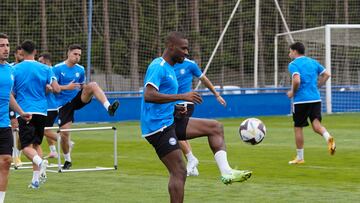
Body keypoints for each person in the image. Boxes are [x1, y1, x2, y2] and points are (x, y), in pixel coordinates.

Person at [141, 31, 252, 203]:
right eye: (183, 48)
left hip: (169, 120)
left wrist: (176, 108)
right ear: (171, 46)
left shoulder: (170, 68)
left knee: (215, 127)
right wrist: (182, 97)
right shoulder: (158, 66)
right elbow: (149, 95)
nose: (186, 52)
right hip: (157, 128)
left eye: (187, 49)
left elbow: (161, 99)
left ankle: (226, 171)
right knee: (179, 171)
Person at [53, 44, 120, 170]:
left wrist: (86, 89)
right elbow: (53, 88)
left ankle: (109, 108)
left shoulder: (81, 69)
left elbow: (82, 85)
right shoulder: (57, 68)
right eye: (75, 54)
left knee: (93, 85)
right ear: (68, 53)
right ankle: (67, 160)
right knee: (64, 134)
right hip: (63, 104)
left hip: (78, 98)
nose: (77, 57)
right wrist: (67, 87)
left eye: (79, 55)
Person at [12, 40, 61, 189]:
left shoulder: (15, 69)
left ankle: (41, 162)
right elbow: (57, 89)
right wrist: (47, 88)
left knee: (25, 146)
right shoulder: (46, 69)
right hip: (41, 111)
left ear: (22, 52)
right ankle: (35, 180)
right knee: (36, 144)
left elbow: (11, 92)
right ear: (35, 52)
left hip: (25, 111)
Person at [174, 58, 227, 176]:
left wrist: (216, 94)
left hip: (185, 104)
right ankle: (192, 165)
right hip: (173, 105)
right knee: (181, 133)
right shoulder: (167, 65)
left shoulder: (190, 64)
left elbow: (204, 79)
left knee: (174, 131)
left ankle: (191, 159)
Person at [287, 42, 336, 165]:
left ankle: (300, 157)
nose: (289, 54)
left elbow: (297, 80)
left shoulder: (293, 64)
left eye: (290, 51)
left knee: (298, 127)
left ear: (295, 51)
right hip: (315, 99)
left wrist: (292, 92)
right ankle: (328, 138)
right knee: (316, 126)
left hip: (301, 101)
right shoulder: (313, 62)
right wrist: (318, 86)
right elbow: (327, 74)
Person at [0, 33, 31, 203]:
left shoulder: (11, 70)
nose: (5, 48)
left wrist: (21, 111)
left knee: (6, 161)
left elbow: (8, 96)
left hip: (3, 123)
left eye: (7, 45)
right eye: (1, 45)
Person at [38, 53, 59, 159]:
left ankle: (66, 141)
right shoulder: (47, 71)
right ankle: (53, 151)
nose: (39, 63)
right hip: (48, 106)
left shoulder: (49, 71)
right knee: (47, 129)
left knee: (44, 130)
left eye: (40, 61)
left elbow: (55, 89)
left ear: (46, 62)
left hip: (50, 107)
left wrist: (47, 88)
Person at [9, 45, 24, 168]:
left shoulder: (26, 68)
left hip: (23, 103)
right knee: (14, 126)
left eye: (23, 54)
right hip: (10, 102)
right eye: (19, 54)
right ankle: (14, 155)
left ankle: (17, 154)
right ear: (15, 55)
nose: (22, 57)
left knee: (20, 130)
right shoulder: (11, 68)